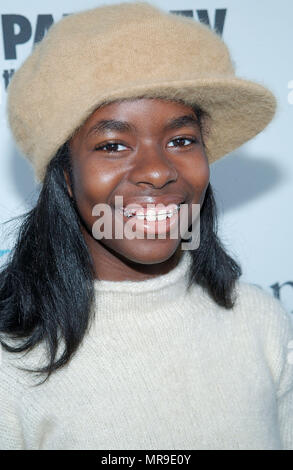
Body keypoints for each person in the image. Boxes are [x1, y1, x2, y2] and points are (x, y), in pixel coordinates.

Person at [0, 1, 292, 451]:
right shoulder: (10, 361)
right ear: (65, 177)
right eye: (113, 144)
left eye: (181, 140)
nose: (157, 171)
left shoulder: (262, 323)